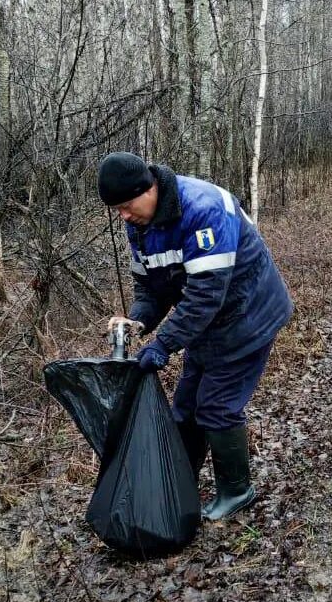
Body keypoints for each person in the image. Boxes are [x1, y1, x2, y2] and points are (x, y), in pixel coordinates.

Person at [97, 152, 293, 520]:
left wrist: (164, 344)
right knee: (186, 407)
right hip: (208, 323)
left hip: (249, 314)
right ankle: (181, 477)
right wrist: (138, 321)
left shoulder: (204, 209)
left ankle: (237, 490)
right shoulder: (138, 225)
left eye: (126, 206)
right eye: (116, 210)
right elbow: (150, 288)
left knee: (217, 406)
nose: (123, 216)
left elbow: (206, 295)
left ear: (148, 189)